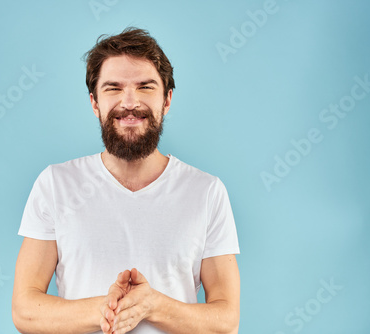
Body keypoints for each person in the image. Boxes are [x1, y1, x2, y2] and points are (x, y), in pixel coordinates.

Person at [12, 27, 240, 334]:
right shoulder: (56, 184)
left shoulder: (207, 192)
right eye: (113, 88)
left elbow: (226, 321)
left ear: (167, 100)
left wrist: (154, 305)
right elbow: (25, 311)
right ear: (94, 102)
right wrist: (103, 308)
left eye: (145, 87)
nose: (129, 102)